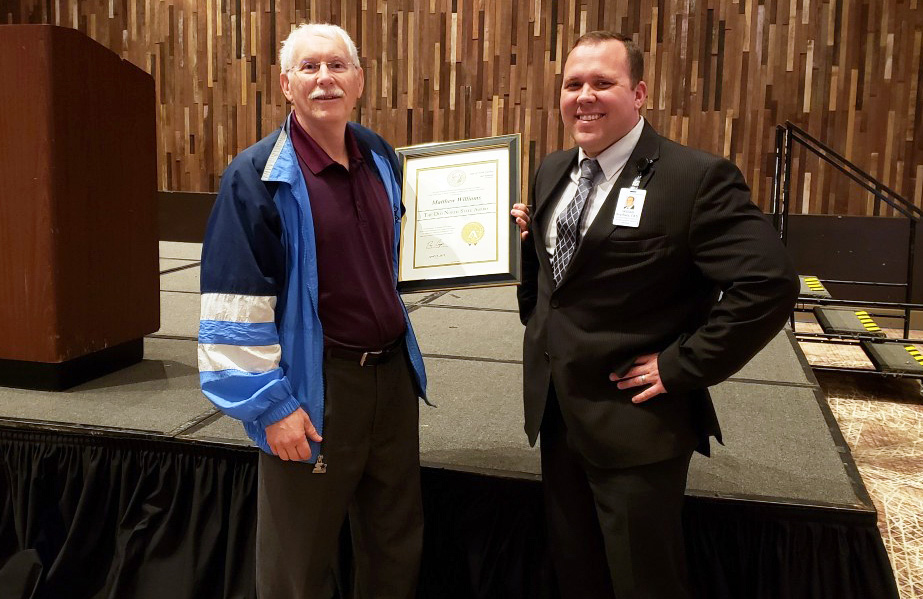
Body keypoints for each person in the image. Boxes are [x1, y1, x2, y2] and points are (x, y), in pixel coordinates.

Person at [517, 31, 799, 599]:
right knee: (578, 572)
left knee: (643, 580)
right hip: (557, 412)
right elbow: (561, 285)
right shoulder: (552, 171)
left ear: (640, 92)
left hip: (635, 424)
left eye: (604, 83)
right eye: (574, 84)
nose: (585, 96)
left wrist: (682, 365)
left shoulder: (694, 179)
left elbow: (768, 283)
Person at [197, 22, 427, 598]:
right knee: (297, 565)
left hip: (391, 381)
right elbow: (233, 304)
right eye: (309, 68)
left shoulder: (379, 156)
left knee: (394, 544)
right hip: (315, 386)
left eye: (337, 66)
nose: (325, 78)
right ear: (285, 84)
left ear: (359, 79)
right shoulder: (255, 177)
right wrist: (270, 407)